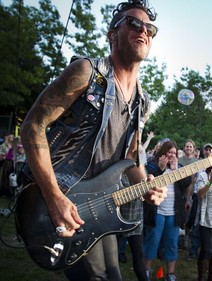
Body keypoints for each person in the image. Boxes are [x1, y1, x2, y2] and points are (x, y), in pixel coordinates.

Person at [19, 1, 167, 280]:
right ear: (112, 34)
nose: (144, 31)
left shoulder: (142, 101)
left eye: (150, 28)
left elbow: (133, 157)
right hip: (63, 199)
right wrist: (54, 197)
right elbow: (32, 126)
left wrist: (148, 184)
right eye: (134, 23)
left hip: (100, 207)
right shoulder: (87, 73)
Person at [144, 140, 192, 281]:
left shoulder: (179, 167)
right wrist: (160, 169)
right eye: (169, 152)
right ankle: (146, 270)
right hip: (157, 211)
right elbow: (147, 184)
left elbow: (186, 184)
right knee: (152, 241)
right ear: (163, 152)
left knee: (172, 242)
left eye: (174, 153)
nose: (171, 155)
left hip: (173, 212)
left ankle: (170, 274)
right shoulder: (153, 164)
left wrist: (176, 170)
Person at [187, 143, 212, 260]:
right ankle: (193, 250)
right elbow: (192, 181)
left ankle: (206, 251)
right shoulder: (199, 164)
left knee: (208, 225)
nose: (208, 151)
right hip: (197, 197)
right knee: (196, 223)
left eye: (210, 150)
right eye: (206, 149)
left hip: (211, 199)